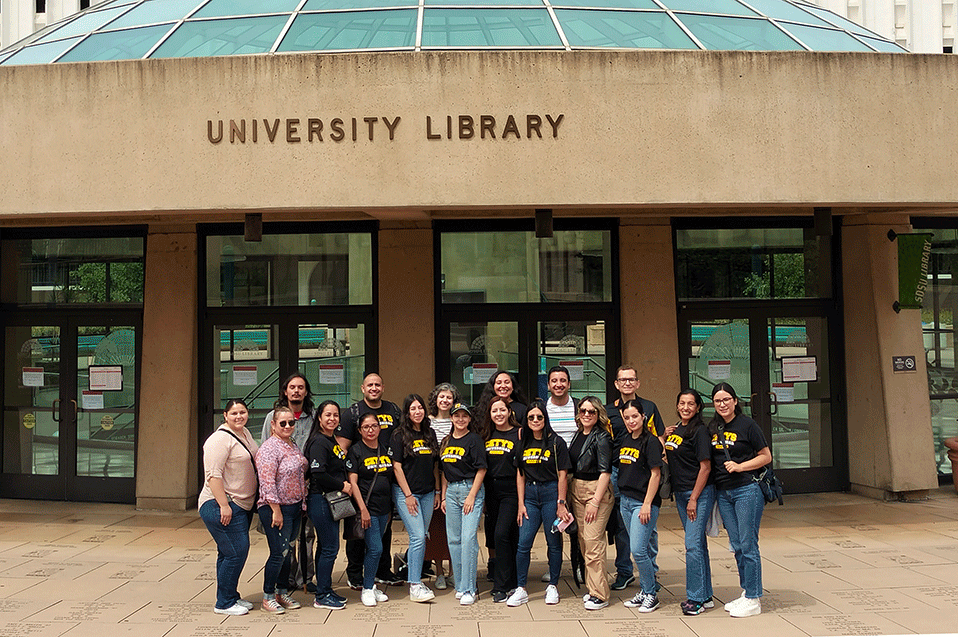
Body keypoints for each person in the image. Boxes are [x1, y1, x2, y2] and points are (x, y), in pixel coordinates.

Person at [709, 382, 772, 618]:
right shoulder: (713, 426)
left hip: (746, 489)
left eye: (726, 399)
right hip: (724, 493)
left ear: (735, 401)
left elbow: (766, 456)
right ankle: (746, 592)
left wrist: (740, 466)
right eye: (718, 401)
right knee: (736, 545)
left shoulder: (748, 425)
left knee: (748, 544)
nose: (722, 404)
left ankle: (754, 598)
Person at [336, 372, 403, 589]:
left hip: (385, 477)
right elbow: (342, 448)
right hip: (361, 481)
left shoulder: (393, 410)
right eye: (369, 385)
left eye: (377, 385)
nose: (374, 388)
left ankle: (382, 571)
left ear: (383, 387)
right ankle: (355, 573)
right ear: (363, 389)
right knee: (358, 530)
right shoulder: (353, 413)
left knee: (384, 529)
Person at [507, 400, 572, 607]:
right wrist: (521, 503)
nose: (535, 420)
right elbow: (520, 475)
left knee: (553, 543)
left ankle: (553, 585)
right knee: (523, 543)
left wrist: (561, 503)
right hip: (530, 496)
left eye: (539, 417)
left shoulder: (556, 442)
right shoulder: (522, 443)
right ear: (526, 421)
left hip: (551, 493)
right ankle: (521, 588)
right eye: (531, 417)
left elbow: (563, 475)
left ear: (545, 418)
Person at [605, 365, 663, 592]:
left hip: (645, 471)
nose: (627, 383)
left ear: (637, 383)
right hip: (620, 471)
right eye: (622, 380)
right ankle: (625, 571)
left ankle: (651, 574)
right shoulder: (609, 411)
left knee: (648, 526)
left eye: (631, 379)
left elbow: (658, 438)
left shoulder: (649, 407)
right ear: (616, 384)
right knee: (622, 525)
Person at [198, 399, 259, 616]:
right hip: (222, 504)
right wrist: (224, 505)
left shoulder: (245, 434)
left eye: (242, 412)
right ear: (225, 415)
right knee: (236, 552)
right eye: (234, 413)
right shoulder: (218, 440)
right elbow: (213, 475)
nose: (238, 416)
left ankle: (230, 596)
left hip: (241, 504)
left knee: (227, 553)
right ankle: (223, 603)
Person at [260, 373, 316, 593]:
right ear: (285, 391)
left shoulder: (313, 417)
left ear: (306, 391)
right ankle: (285, 580)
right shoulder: (271, 419)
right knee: (283, 543)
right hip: (279, 493)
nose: (296, 391)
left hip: (306, 487)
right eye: (292, 387)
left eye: (301, 387)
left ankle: (306, 578)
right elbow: (267, 454)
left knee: (306, 534)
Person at [663, 389, 715, 616]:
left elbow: (706, 467)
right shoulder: (677, 428)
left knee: (692, 545)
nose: (685, 407)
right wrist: (664, 437)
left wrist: (694, 498)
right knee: (698, 545)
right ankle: (706, 594)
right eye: (682, 403)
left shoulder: (700, 431)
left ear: (698, 408)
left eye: (690, 404)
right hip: (683, 493)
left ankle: (695, 599)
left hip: (698, 494)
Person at [255, 406, 308, 614]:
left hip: (294, 507)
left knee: (288, 552)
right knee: (278, 553)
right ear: (273, 425)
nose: (287, 426)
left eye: (291, 423)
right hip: (277, 509)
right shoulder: (269, 449)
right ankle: (268, 596)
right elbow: (267, 482)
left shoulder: (292, 445)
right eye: (283, 423)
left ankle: (281, 591)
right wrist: (275, 510)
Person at [390, 394, 440, 603]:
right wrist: (408, 495)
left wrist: (437, 491)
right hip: (406, 493)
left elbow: (435, 465)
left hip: (428, 492)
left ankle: (405, 565)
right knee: (418, 536)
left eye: (420, 407)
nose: (417, 411)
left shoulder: (430, 433)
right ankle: (415, 585)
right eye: (413, 408)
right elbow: (396, 466)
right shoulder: (399, 434)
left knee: (422, 535)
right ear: (407, 412)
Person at [616, 400, 664, 613]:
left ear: (643, 416)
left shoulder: (651, 441)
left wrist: (646, 504)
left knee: (638, 550)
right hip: (625, 501)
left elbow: (656, 474)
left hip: (642, 503)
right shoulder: (626, 439)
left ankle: (651, 594)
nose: (631, 421)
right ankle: (644, 591)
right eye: (627, 417)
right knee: (636, 548)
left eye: (634, 416)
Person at [568, 396, 614, 610]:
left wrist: (595, 501)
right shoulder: (579, 434)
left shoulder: (602, 437)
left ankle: (600, 595)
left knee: (593, 542)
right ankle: (593, 587)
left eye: (591, 411)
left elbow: (606, 471)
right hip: (577, 488)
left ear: (598, 414)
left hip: (596, 490)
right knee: (584, 542)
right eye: (583, 411)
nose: (587, 415)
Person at [303, 400, 350, 610]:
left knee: (325, 547)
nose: (332, 419)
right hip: (321, 500)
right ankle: (322, 595)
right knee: (330, 548)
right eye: (328, 415)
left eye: (335, 415)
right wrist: (343, 485)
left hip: (330, 501)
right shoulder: (319, 442)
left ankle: (325, 589)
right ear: (319, 418)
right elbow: (318, 473)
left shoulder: (331, 440)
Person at [346, 413, 396, 607]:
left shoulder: (385, 449)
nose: (370, 430)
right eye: (366, 427)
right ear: (359, 430)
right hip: (368, 509)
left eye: (374, 426)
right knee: (375, 549)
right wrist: (363, 509)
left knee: (374, 549)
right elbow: (353, 483)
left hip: (384, 508)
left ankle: (371, 584)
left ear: (380, 427)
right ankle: (367, 589)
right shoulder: (356, 451)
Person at [440, 402, 487, 605]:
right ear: (451, 418)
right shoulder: (446, 441)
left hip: (470, 489)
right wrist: (443, 496)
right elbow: (443, 471)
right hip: (451, 492)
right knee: (454, 539)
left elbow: (482, 469)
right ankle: (460, 584)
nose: (460, 419)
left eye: (464, 416)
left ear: (469, 419)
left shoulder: (474, 440)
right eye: (456, 416)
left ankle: (469, 587)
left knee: (468, 539)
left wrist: (472, 496)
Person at [480, 396, 521, 602]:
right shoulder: (485, 435)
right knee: (504, 537)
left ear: (509, 412)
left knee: (502, 534)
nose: (498, 414)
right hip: (490, 490)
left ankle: (501, 586)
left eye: (502, 410)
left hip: (512, 490)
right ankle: (512, 579)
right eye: (494, 411)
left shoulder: (519, 433)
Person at [425, 382, 459, 590]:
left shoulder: (458, 421)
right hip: (432, 480)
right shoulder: (427, 423)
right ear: (435, 399)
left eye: (449, 397)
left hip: (454, 480)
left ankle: (454, 571)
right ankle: (439, 572)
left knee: (454, 529)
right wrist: (438, 491)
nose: (445, 401)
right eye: (442, 397)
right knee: (436, 529)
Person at [545, 365, 579, 445]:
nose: (559, 384)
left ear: (569, 384)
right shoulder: (542, 409)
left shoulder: (579, 407)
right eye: (554, 381)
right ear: (548, 385)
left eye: (563, 380)